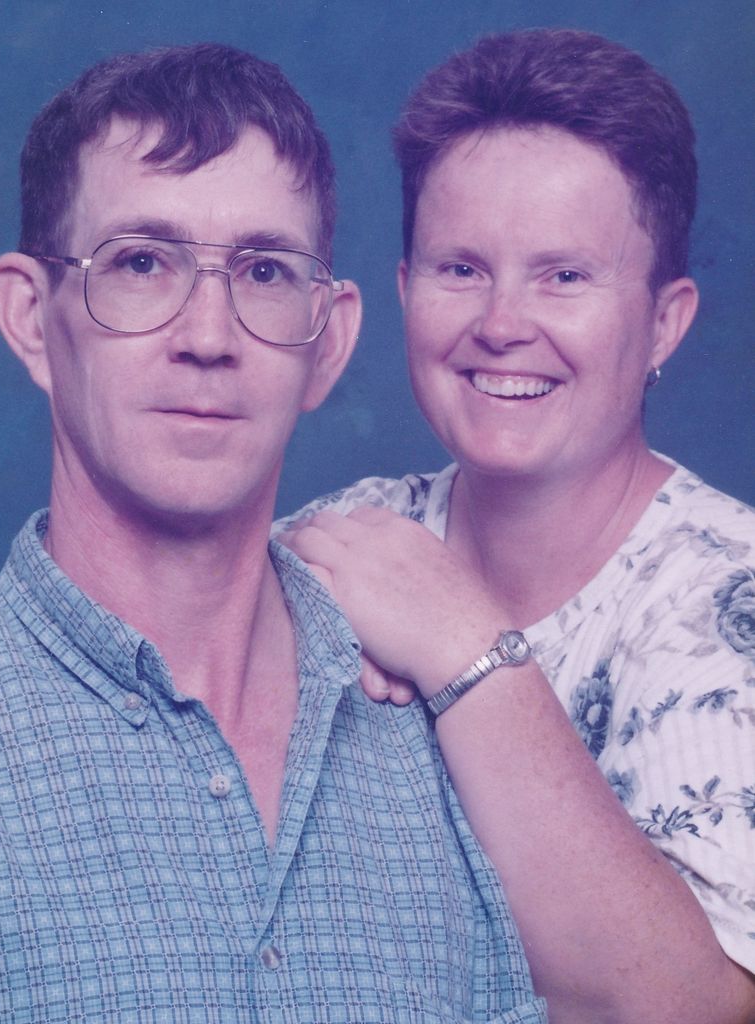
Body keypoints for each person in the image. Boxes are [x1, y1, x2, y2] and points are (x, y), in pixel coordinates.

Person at [0, 44, 548, 1023]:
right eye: (141, 263)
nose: (209, 336)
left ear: (327, 341)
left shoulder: (450, 732)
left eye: (263, 271)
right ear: (30, 317)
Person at [279, 28, 755, 1024]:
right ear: (404, 289)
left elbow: (697, 1008)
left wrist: (465, 649)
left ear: (664, 321)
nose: (501, 323)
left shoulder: (725, 601)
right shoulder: (339, 541)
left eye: (564, 276)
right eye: (460, 268)